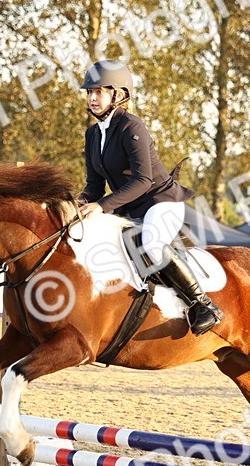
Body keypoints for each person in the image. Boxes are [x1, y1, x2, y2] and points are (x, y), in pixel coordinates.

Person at [74, 60, 224, 336]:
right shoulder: (93, 134)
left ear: (119, 94)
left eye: (99, 92)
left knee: (152, 244)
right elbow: (94, 185)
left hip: (160, 202)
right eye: (89, 92)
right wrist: (76, 204)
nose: (92, 98)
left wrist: (103, 206)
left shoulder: (132, 126)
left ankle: (202, 304)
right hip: (128, 208)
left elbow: (143, 180)